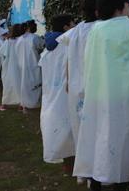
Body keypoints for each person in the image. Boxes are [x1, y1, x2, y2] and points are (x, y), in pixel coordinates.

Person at [73, 0, 129, 190]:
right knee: (124, 140)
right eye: (128, 5)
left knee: (102, 137)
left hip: (101, 95)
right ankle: (121, 181)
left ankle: (98, 179)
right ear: (120, 7)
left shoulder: (97, 30)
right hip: (127, 96)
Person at [55, 0, 99, 185]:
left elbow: (67, 55)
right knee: (97, 131)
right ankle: (93, 173)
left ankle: (84, 171)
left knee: (81, 130)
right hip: (95, 87)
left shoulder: (76, 30)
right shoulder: (99, 29)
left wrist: (67, 79)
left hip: (75, 88)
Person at [39, 14, 75, 165]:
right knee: (69, 126)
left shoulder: (48, 47)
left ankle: (66, 161)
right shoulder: (67, 44)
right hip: (65, 91)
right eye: (73, 23)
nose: (75, 25)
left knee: (58, 125)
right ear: (66, 27)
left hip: (50, 92)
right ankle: (71, 162)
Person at [15, 19, 44, 110]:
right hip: (33, 64)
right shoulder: (35, 38)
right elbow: (42, 47)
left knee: (24, 84)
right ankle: (33, 103)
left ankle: (24, 104)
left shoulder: (19, 39)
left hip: (21, 65)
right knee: (35, 84)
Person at [0, 24, 24, 111]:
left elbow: (1, 53)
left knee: (8, 85)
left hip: (9, 67)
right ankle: (21, 104)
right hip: (20, 66)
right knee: (20, 84)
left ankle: (5, 104)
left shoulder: (8, 42)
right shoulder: (23, 41)